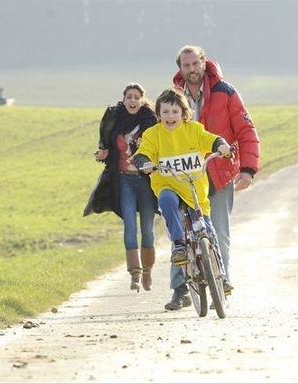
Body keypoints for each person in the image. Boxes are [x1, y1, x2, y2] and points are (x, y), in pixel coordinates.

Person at [168, 45, 260, 309]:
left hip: (218, 172)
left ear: (203, 63)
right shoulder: (173, 97)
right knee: (180, 233)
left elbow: (246, 130)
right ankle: (179, 291)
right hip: (184, 174)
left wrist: (248, 169)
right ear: (180, 68)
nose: (191, 70)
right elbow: (159, 131)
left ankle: (223, 282)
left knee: (218, 230)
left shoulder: (226, 93)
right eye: (186, 66)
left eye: (195, 64)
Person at [133, 88, 232, 310]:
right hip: (168, 185)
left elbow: (212, 140)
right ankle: (179, 244)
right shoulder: (153, 134)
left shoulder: (194, 130)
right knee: (167, 200)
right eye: (165, 111)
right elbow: (143, 153)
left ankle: (221, 276)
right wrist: (144, 163)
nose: (170, 116)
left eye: (174, 111)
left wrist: (221, 147)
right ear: (158, 114)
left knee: (207, 229)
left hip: (194, 190)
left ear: (184, 113)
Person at [83, 83, 158, 292]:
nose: (132, 101)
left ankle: (147, 271)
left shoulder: (151, 122)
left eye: (136, 97)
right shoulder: (114, 120)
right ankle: (134, 272)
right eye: (129, 97)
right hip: (124, 179)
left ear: (142, 100)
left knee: (148, 228)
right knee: (129, 225)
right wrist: (103, 153)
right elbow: (105, 143)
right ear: (124, 99)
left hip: (145, 181)